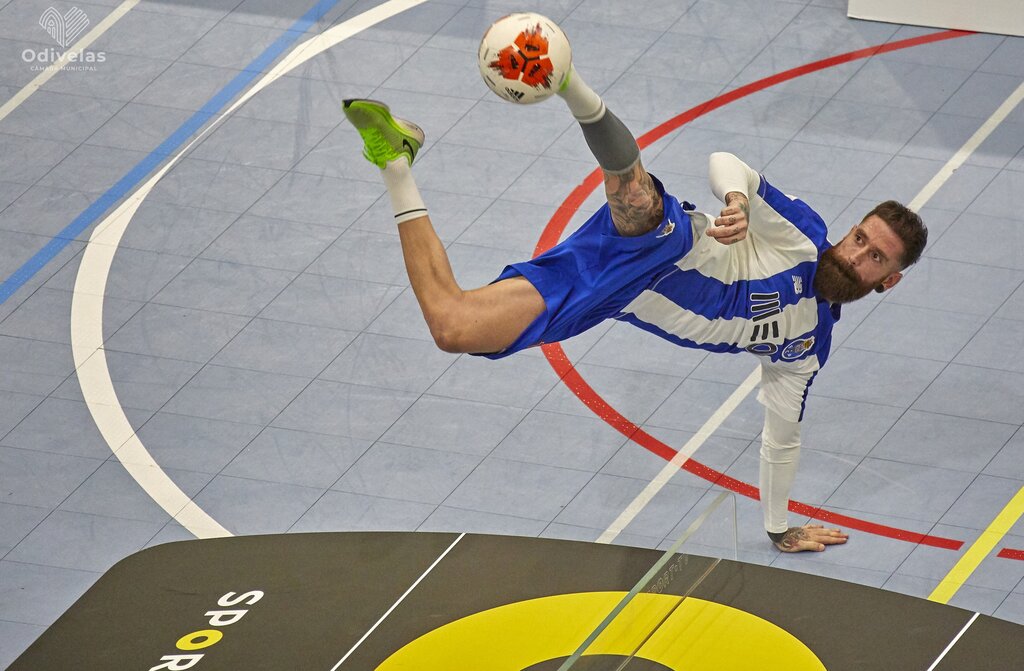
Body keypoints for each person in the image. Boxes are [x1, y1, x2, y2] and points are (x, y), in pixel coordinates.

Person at [340, 55, 926, 553]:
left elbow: (782, 437)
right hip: (669, 241)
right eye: (859, 238)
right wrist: (736, 199)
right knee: (637, 198)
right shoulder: (801, 233)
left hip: (614, 293)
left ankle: (396, 160)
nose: (856, 254)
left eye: (874, 257)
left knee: (453, 327)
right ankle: (568, 82)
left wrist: (779, 529)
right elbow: (728, 161)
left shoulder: (805, 346)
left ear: (890, 280)